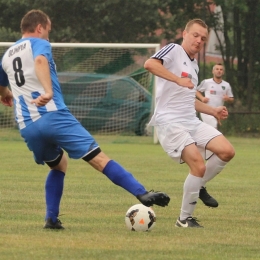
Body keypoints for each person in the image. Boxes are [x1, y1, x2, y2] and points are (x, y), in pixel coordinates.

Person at [0, 9, 170, 230]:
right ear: (39, 27)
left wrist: (6, 95)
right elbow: (40, 61)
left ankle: (51, 219)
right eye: (48, 31)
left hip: (27, 125)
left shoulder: (7, 55)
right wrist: (48, 91)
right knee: (99, 159)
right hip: (54, 115)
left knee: (59, 164)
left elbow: (2, 85)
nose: (48, 37)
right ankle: (142, 193)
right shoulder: (38, 43)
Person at [144, 18, 235, 228]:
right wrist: (176, 79)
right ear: (185, 34)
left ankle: (199, 185)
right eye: (195, 35)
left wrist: (212, 110)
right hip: (170, 122)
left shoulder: (194, 65)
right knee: (198, 164)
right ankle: (184, 220)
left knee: (227, 151)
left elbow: (188, 100)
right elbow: (150, 64)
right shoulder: (174, 50)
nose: (199, 40)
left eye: (203, 38)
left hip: (190, 120)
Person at [196, 63, 234, 128]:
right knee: (213, 126)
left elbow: (232, 99)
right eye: (217, 69)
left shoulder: (226, 85)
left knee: (209, 129)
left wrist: (228, 99)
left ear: (223, 72)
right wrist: (202, 98)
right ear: (213, 71)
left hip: (217, 111)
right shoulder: (206, 82)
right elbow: (196, 91)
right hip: (206, 110)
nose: (219, 71)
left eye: (221, 69)